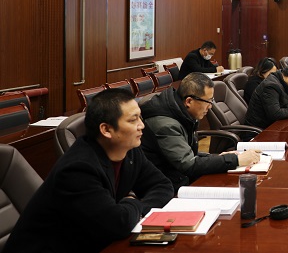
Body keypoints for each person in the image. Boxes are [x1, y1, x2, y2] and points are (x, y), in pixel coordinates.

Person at [6, 89, 173, 252]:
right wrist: (133, 202)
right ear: (106, 130)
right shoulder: (78, 169)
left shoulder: (129, 151)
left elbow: (163, 186)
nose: (141, 125)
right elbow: (117, 224)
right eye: (132, 120)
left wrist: (135, 206)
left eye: (140, 117)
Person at [140, 73, 261, 191]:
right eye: (208, 101)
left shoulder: (181, 111)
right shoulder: (166, 125)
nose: (210, 106)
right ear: (189, 101)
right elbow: (188, 165)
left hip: (179, 177)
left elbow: (188, 154)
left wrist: (221, 158)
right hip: (167, 189)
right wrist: (236, 160)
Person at [245, 61, 288, 129]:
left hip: (274, 125)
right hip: (261, 129)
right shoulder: (271, 86)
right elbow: (275, 114)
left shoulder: (283, 81)